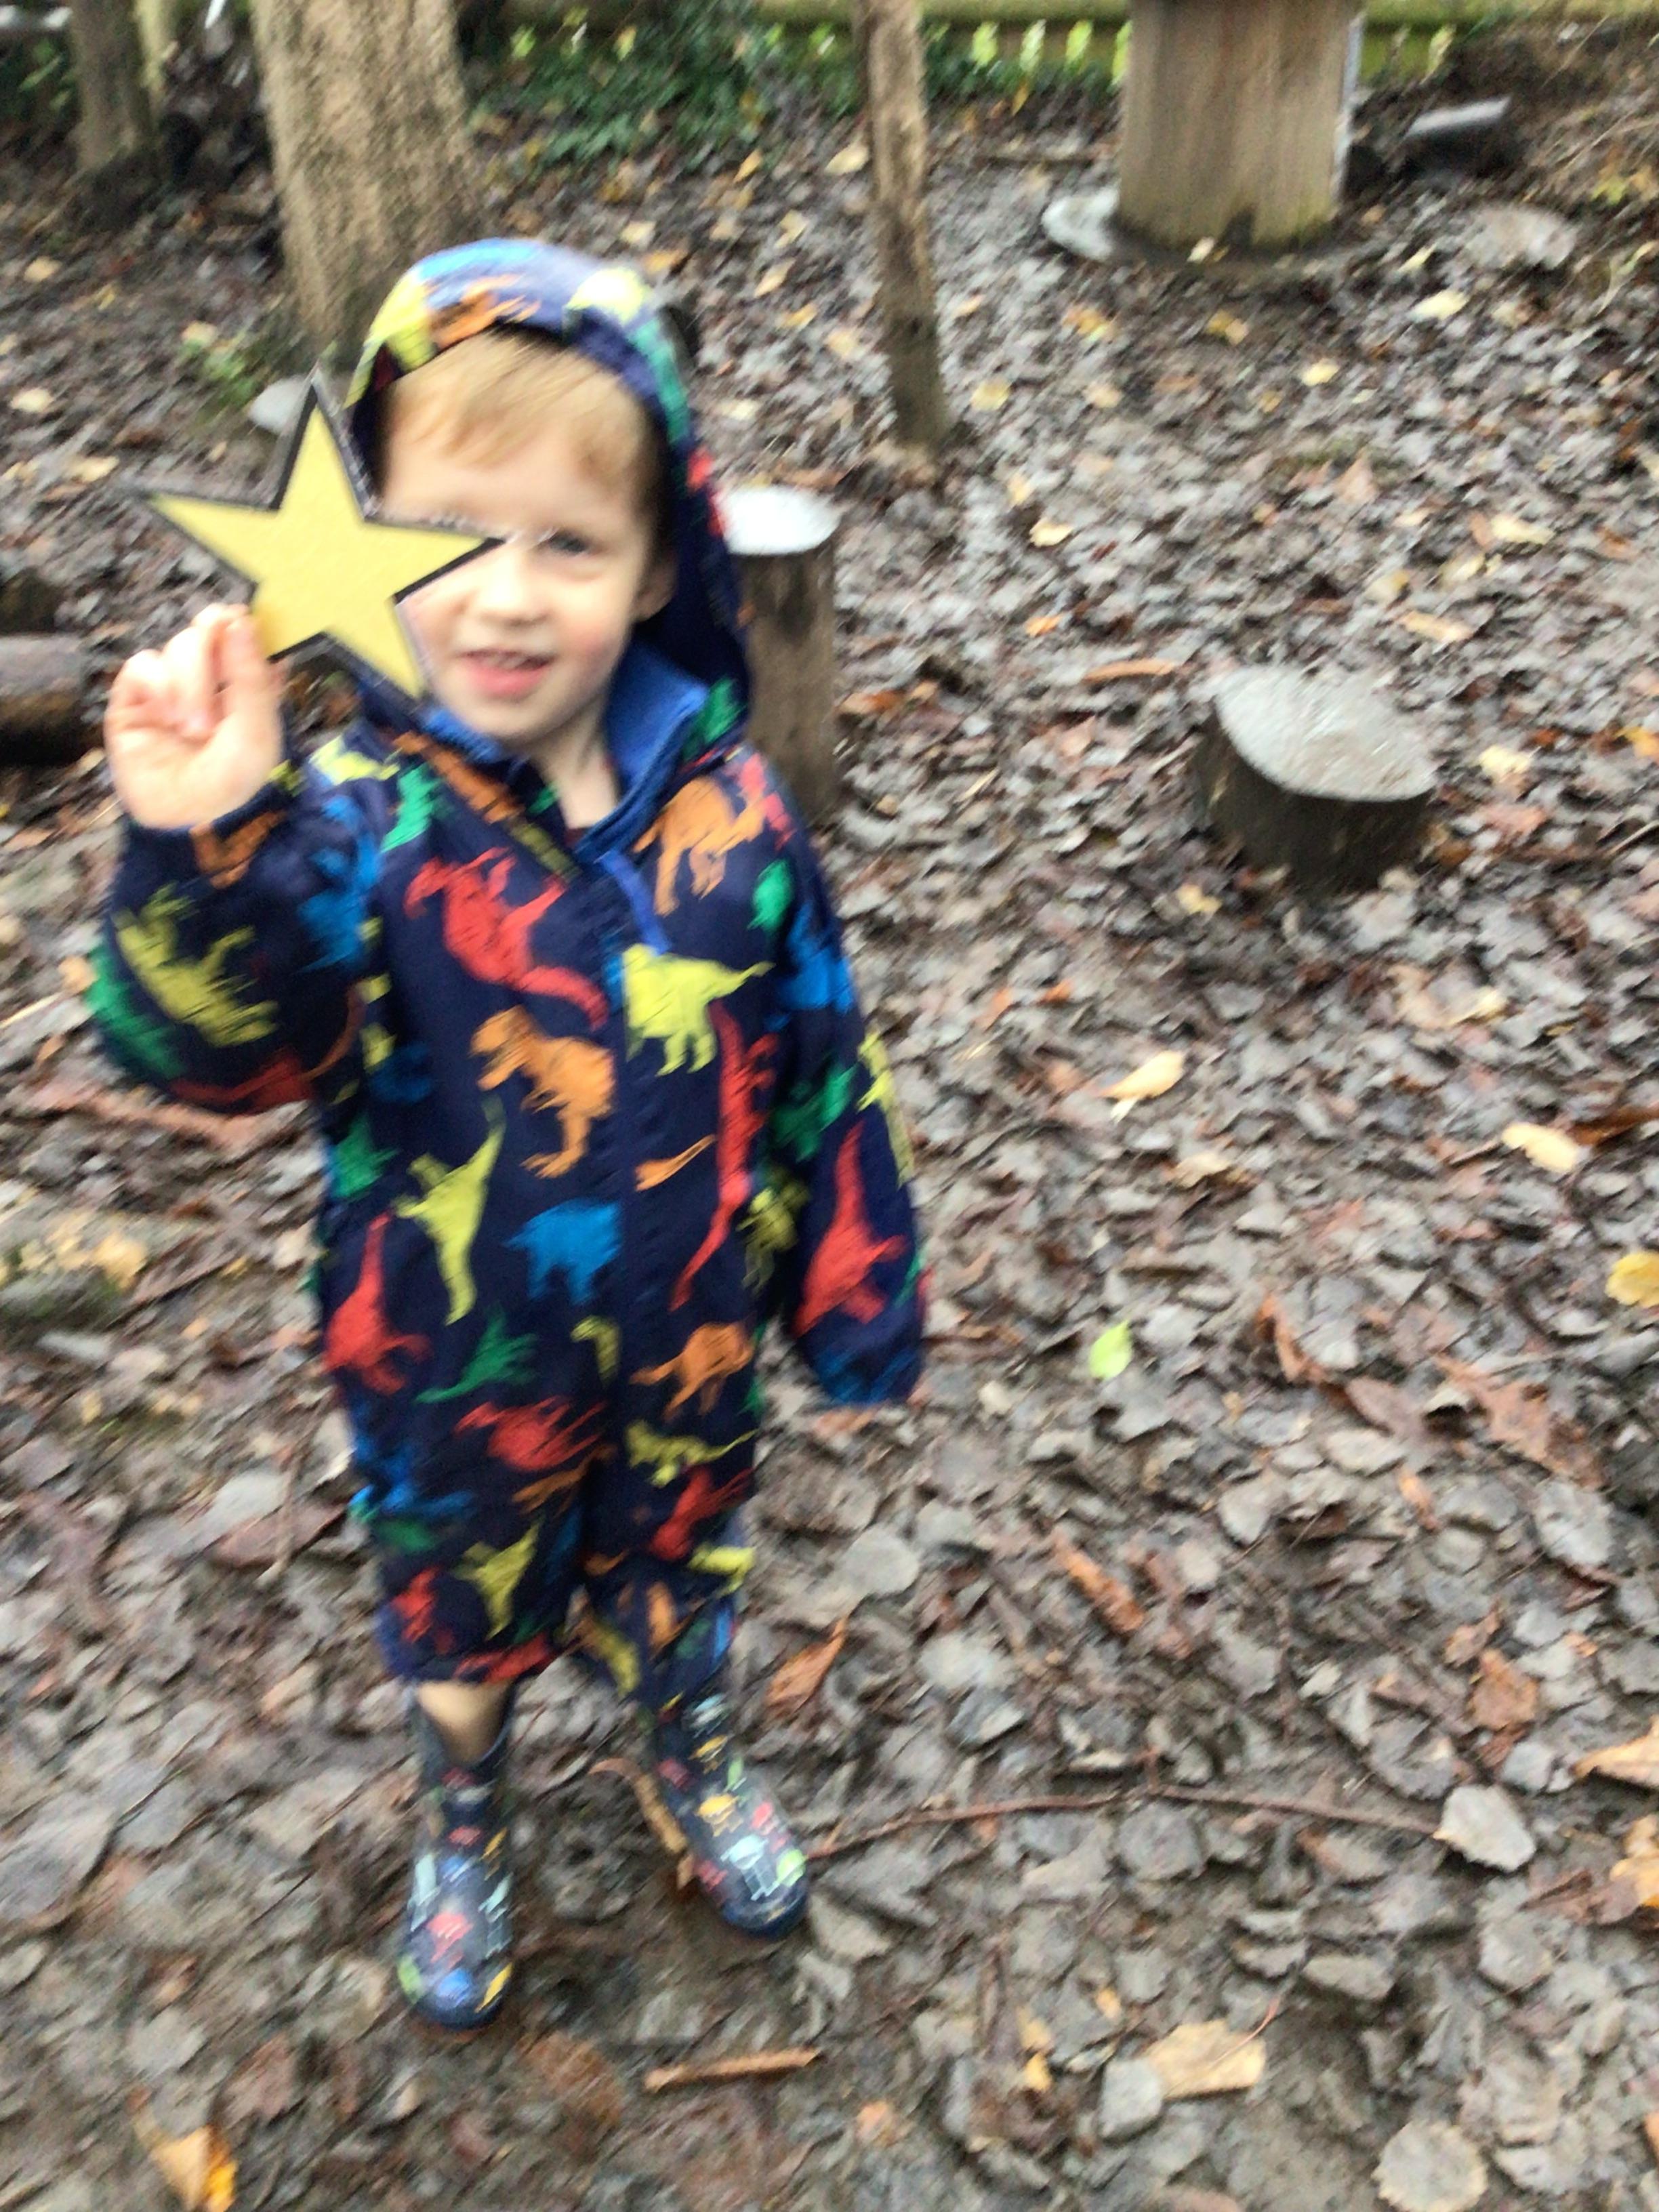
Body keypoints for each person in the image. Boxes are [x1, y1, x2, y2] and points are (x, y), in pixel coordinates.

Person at [91, 238, 925, 2032]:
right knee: (459, 1624)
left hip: (689, 1356)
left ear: (659, 566)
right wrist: (207, 852)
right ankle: (463, 1807)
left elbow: (817, 1057)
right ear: (370, 539)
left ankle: (688, 1750)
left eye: (571, 544)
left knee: (682, 1581)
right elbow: (217, 1053)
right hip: (446, 1367)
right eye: (455, 533)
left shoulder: (735, 815)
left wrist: (854, 1287)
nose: (507, 596)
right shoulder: (344, 830)